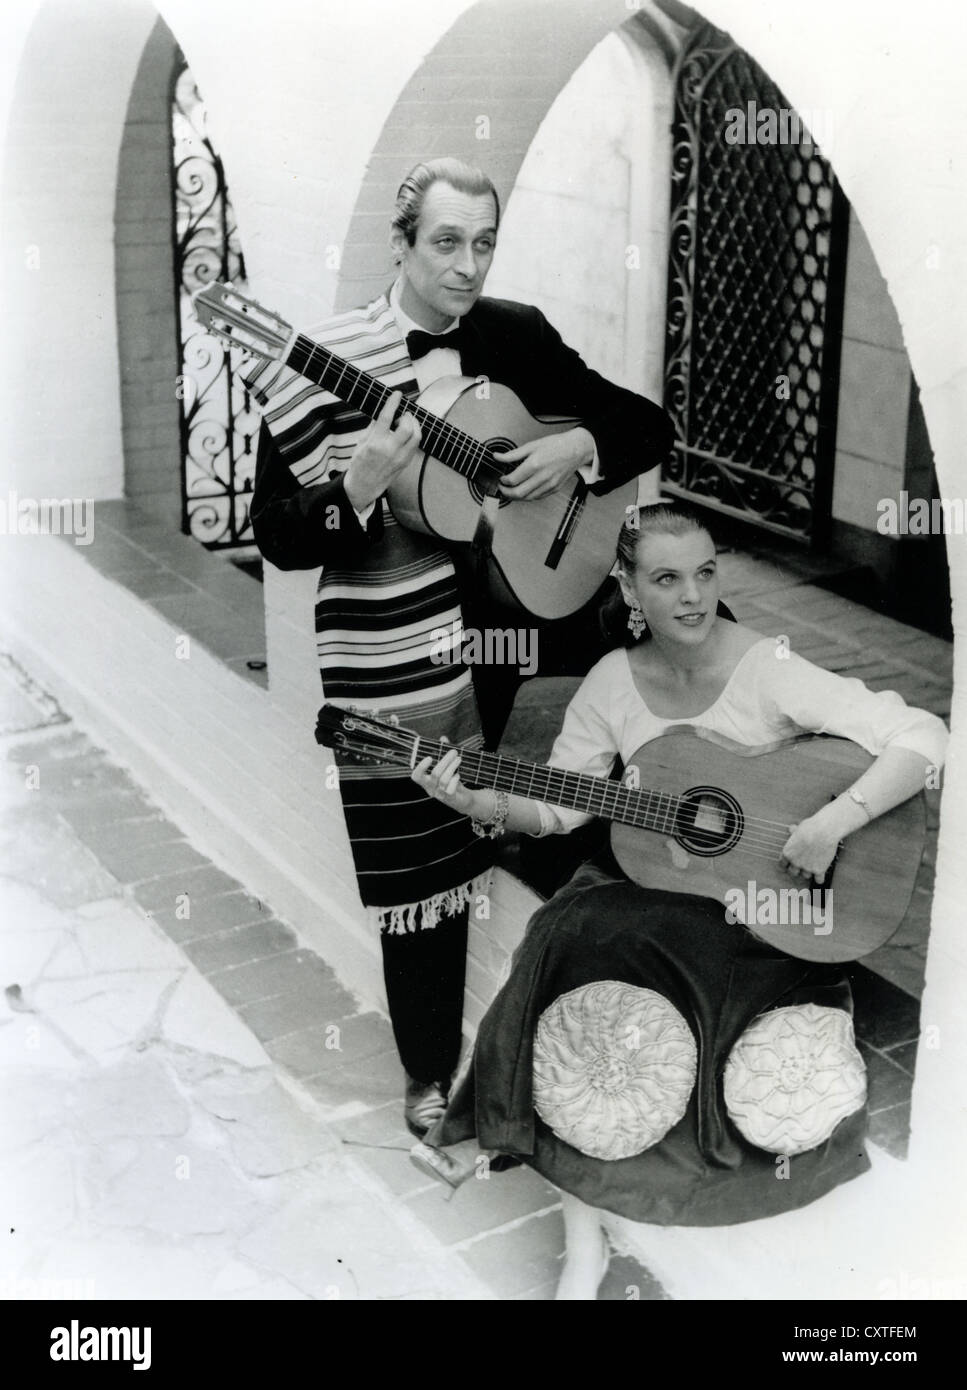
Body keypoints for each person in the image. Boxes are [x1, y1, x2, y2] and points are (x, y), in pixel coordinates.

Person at [410, 501, 948, 1299]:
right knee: (563, 934)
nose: (692, 596)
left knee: (603, 942)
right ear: (628, 588)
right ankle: (580, 1233)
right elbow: (560, 807)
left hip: (770, 898)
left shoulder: (766, 665)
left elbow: (923, 736)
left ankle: (523, 1154)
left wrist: (835, 821)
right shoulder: (609, 683)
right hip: (667, 880)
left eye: (704, 573)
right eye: (666, 579)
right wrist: (475, 805)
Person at [247, 158, 674, 1137]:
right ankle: (430, 1074)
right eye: (446, 241)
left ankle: (585, 1086)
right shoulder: (328, 359)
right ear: (399, 245)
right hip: (396, 658)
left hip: (523, 649)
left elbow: (645, 424)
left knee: (580, 840)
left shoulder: (514, 337)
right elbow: (277, 530)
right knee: (419, 882)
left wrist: (574, 448)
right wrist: (355, 490)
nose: (467, 264)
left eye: (483, 241)